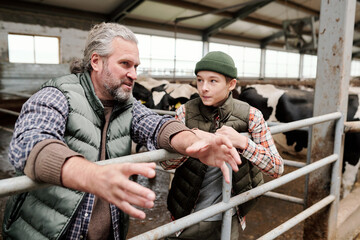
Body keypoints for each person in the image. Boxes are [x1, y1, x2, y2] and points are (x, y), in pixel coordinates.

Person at [2, 23, 242, 240]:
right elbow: (30, 143)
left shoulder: (126, 104)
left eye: (136, 66)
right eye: (125, 64)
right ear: (96, 61)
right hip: (50, 232)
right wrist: (92, 175)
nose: (134, 74)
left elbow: (156, 124)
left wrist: (193, 142)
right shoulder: (56, 95)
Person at [162, 51, 284, 240]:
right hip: (186, 212)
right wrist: (192, 142)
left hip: (229, 213)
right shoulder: (184, 112)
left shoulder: (252, 116)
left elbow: (276, 167)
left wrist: (243, 142)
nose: (204, 88)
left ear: (231, 84)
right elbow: (165, 164)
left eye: (213, 81)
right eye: (200, 80)